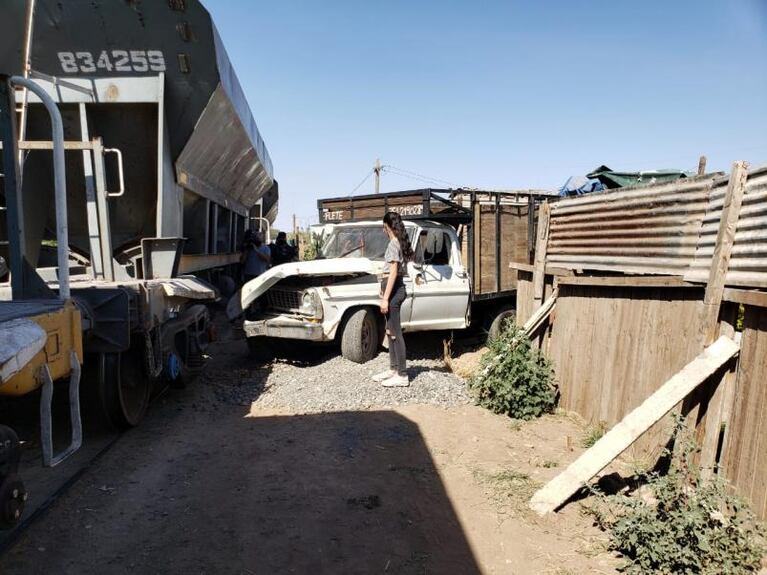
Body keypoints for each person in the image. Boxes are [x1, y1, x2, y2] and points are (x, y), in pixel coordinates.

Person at [372, 212, 413, 387]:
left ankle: (402, 374)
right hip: (394, 290)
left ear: (386, 226)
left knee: (396, 333)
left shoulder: (393, 245)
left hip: (395, 291)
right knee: (390, 332)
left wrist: (385, 299)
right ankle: (393, 369)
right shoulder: (398, 243)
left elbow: (394, 272)